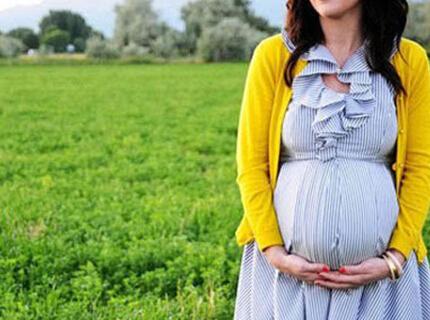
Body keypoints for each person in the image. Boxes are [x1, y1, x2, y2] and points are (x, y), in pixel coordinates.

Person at [233, 0, 430, 318]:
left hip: (383, 285)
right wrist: (275, 252)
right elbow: (251, 165)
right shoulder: (273, 56)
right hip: (285, 280)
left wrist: (394, 258)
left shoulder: (409, 60)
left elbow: (422, 167)